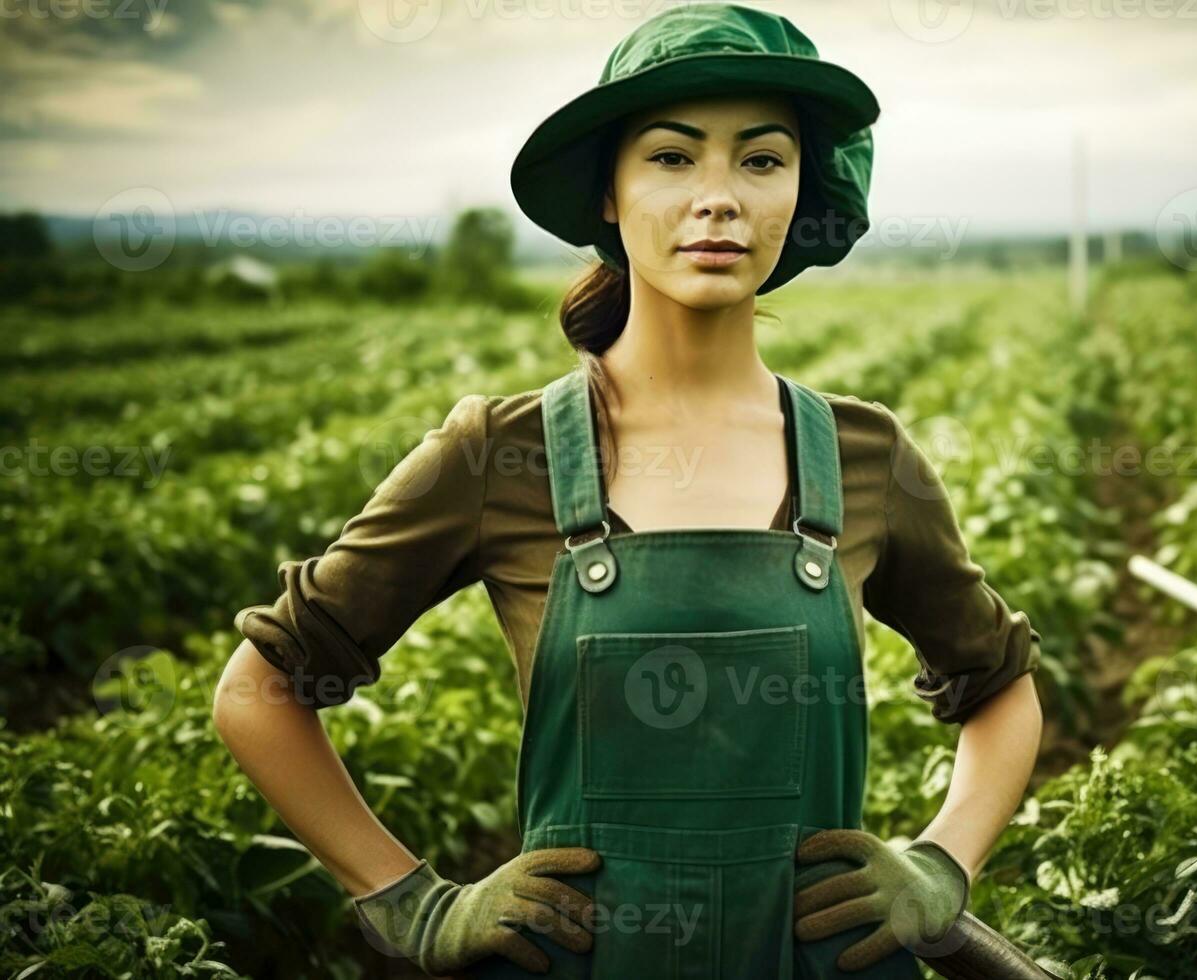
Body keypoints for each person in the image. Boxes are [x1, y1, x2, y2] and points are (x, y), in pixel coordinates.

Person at [212, 4, 1044, 977]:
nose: (720, 198)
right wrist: (415, 903)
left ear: (802, 195)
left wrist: (941, 864)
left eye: (763, 161)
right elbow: (261, 688)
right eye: (672, 158)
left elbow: (1001, 684)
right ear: (608, 191)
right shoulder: (500, 451)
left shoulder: (867, 455)